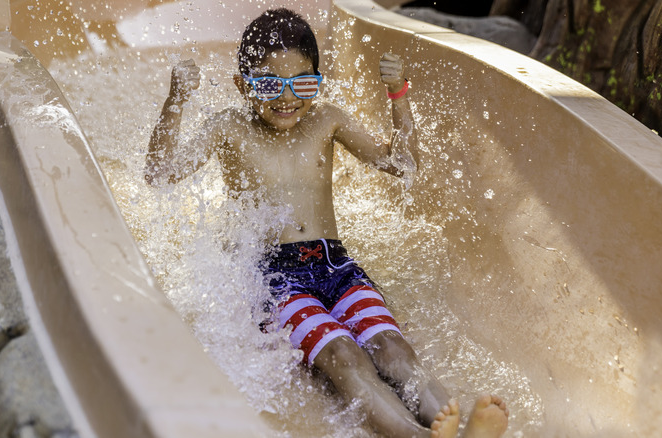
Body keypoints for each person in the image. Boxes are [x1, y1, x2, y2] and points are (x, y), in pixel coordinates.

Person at [145, 8, 509, 438]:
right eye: (267, 84)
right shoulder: (229, 127)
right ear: (242, 86)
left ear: (317, 81)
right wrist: (176, 102)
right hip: (276, 278)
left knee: (393, 350)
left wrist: (399, 95)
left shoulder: (326, 119)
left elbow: (403, 164)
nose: (286, 98)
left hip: (337, 267)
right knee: (343, 356)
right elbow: (161, 173)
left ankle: (462, 429)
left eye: (302, 83)